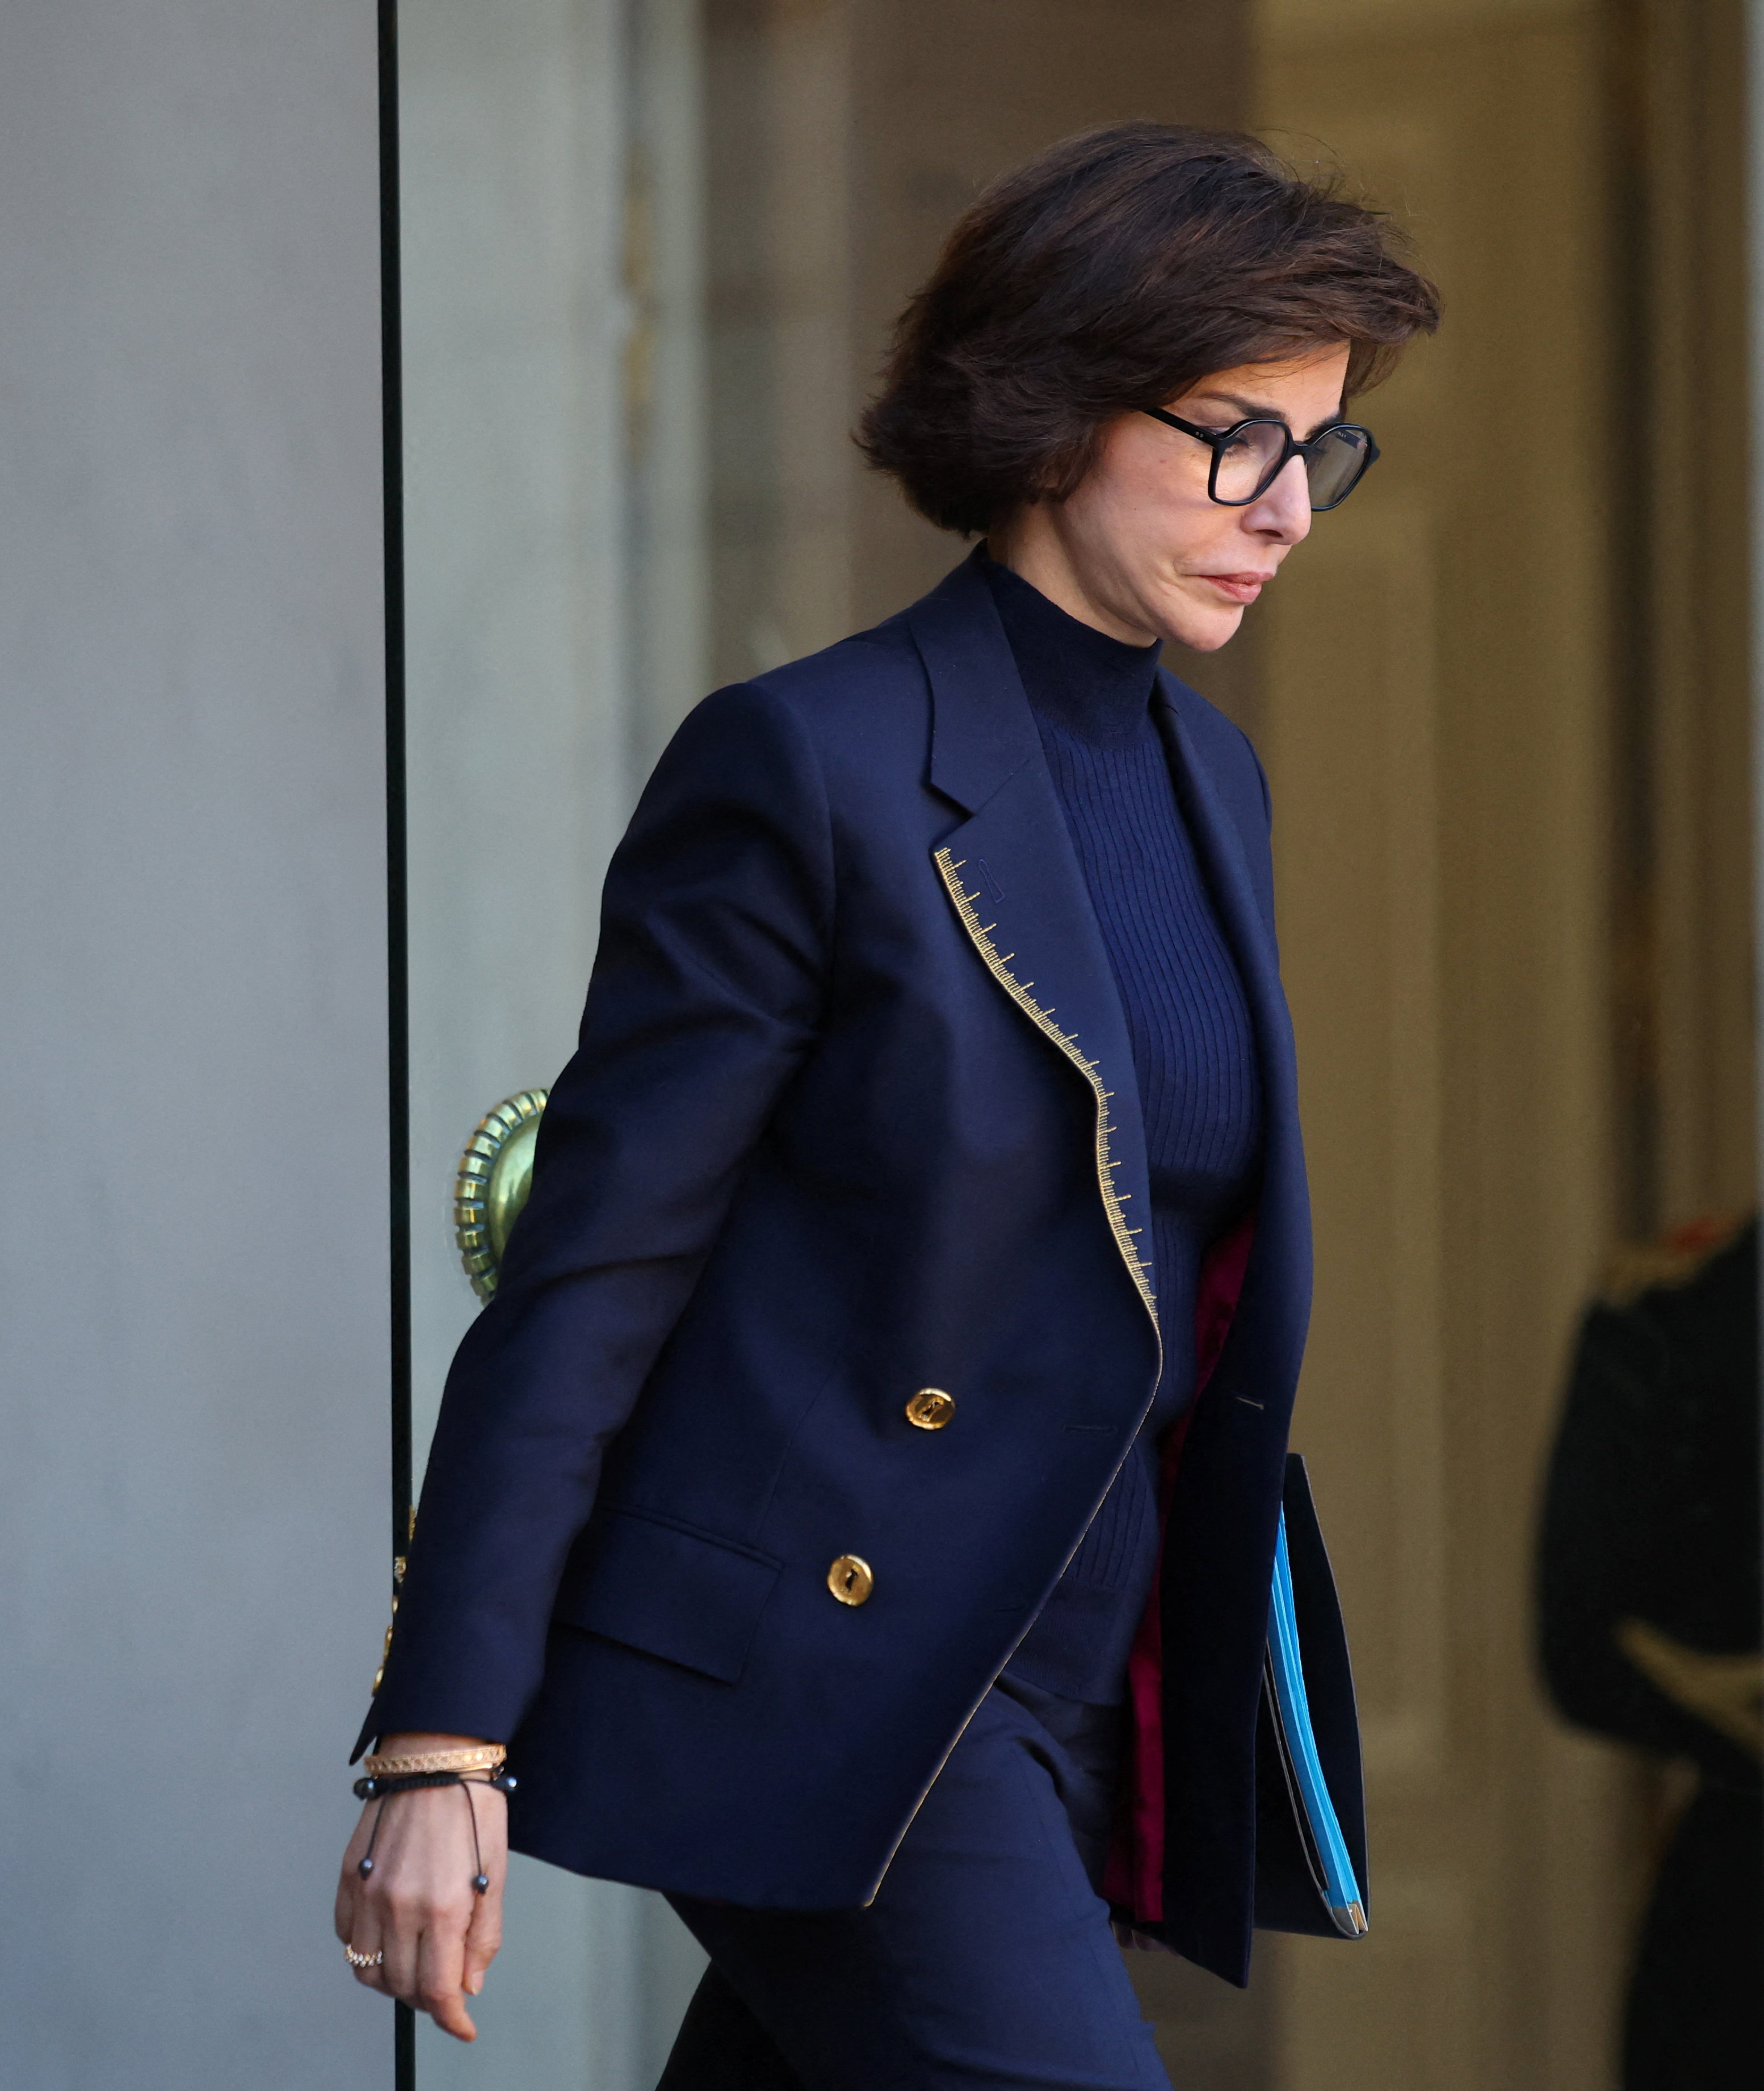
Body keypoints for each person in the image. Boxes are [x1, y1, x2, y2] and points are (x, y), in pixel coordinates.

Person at [333, 121, 1439, 2086]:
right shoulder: (810, 767)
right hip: (837, 1670)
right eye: (1230, 435)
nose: (1284, 506)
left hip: (1092, 1666)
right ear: (1050, 409)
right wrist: (443, 1736)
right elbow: (599, 1271)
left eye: (1320, 447)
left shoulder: (1216, 783)